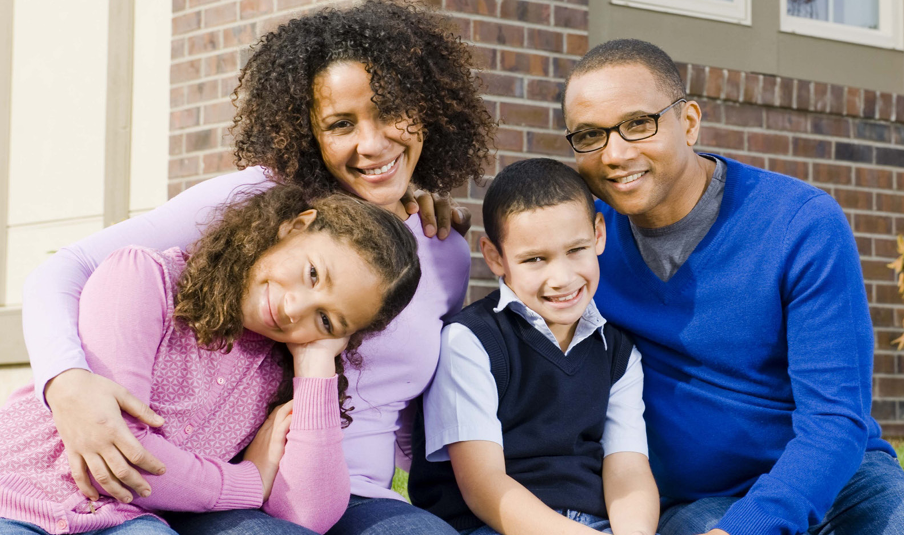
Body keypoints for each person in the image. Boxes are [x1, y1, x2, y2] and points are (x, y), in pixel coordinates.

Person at [22, 2, 493, 533]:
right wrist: (65, 381)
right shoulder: (259, 210)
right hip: (233, 481)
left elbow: (409, 407)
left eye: (392, 111)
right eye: (341, 124)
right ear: (307, 131)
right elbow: (67, 269)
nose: (373, 142)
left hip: (353, 493)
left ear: (429, 108)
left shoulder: (442, 248)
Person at [562, 39, 904, 535]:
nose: (614, 154)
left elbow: (835, 419)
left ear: (690, 122)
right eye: (589, 135)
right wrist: (416, 210)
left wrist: (749, 527)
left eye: (639, 123)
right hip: (703, 501)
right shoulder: (583, 247)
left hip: (840, 481)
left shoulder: (800, 225)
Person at [0, 188, 422, 535]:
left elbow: (307, 516)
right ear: (296, 226)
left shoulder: (277, 371)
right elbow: (115, 452)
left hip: (124, 519)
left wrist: (315, 364)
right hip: (19, 494)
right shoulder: (145, 279)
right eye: (313, 274)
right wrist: (249, 482)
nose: (296, 308)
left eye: (327, 318)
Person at [409, 158, 659, 535]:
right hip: (493, 524)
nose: (561, 278)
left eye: (576, 250)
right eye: (535, 259)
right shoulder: (471, 342)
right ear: (495, 257)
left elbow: (628, 468)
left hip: (596, 524)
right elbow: (483, 485)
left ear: (599, 235)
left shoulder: (619, 353)